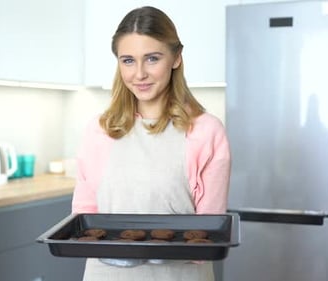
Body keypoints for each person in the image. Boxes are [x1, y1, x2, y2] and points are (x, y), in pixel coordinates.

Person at [71, 6, 231, 281]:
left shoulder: (206, 132)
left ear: (176, 58)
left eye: (152, 58)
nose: (139, 74)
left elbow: (207, 237)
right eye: (128, 60)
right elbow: (84, 222)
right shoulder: (99, 130)